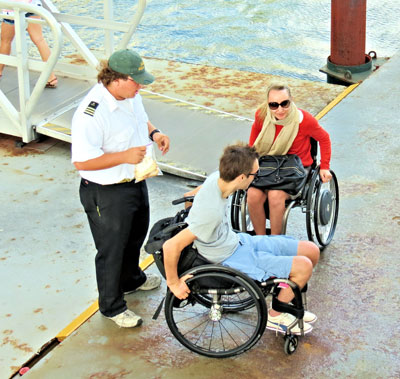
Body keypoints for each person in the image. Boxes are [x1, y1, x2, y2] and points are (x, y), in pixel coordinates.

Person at [163, 143, 320, 335]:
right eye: (255, 174)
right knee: (303, 266)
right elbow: (171, 246)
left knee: (311, 250)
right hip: (231, 257)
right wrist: (174, 284)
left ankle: (285, 296)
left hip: (238, 241)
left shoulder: (218, 178)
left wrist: (192, 213)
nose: (258, 177)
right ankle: (276, 315)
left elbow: (189, 195)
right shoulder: (209, 215)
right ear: (242, 177)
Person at [71, 49, 170, 328]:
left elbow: (141, 119)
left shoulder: (130, 96)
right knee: (111, 249)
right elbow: (82, 160)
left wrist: (155, 133)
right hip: (106, 191)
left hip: (135, 180)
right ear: (116, 79)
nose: (141, 86)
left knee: (135, 236)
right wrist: (124, 157)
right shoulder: (91, 113)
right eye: (136, 81)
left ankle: (131, 279)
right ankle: (112, 306)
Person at [248, 83, 332, 235]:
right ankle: (260, 239)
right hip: (269, 164)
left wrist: (324, 166)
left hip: (296, 168)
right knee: (252, 195)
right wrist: (249, 161)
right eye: (273, 105)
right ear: (268, 104)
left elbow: (324, 138)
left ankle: (276, 240)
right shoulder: (262, 115)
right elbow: (253, 143)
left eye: (284, 104)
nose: (279, 109)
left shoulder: (304, 120)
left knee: (275, 194)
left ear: (291, 100)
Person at [0, 0, 57, 87]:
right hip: (31, 6)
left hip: (13, 9)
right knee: (39, 40)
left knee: (5, 41)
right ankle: (51, 77)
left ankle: (0, 71)